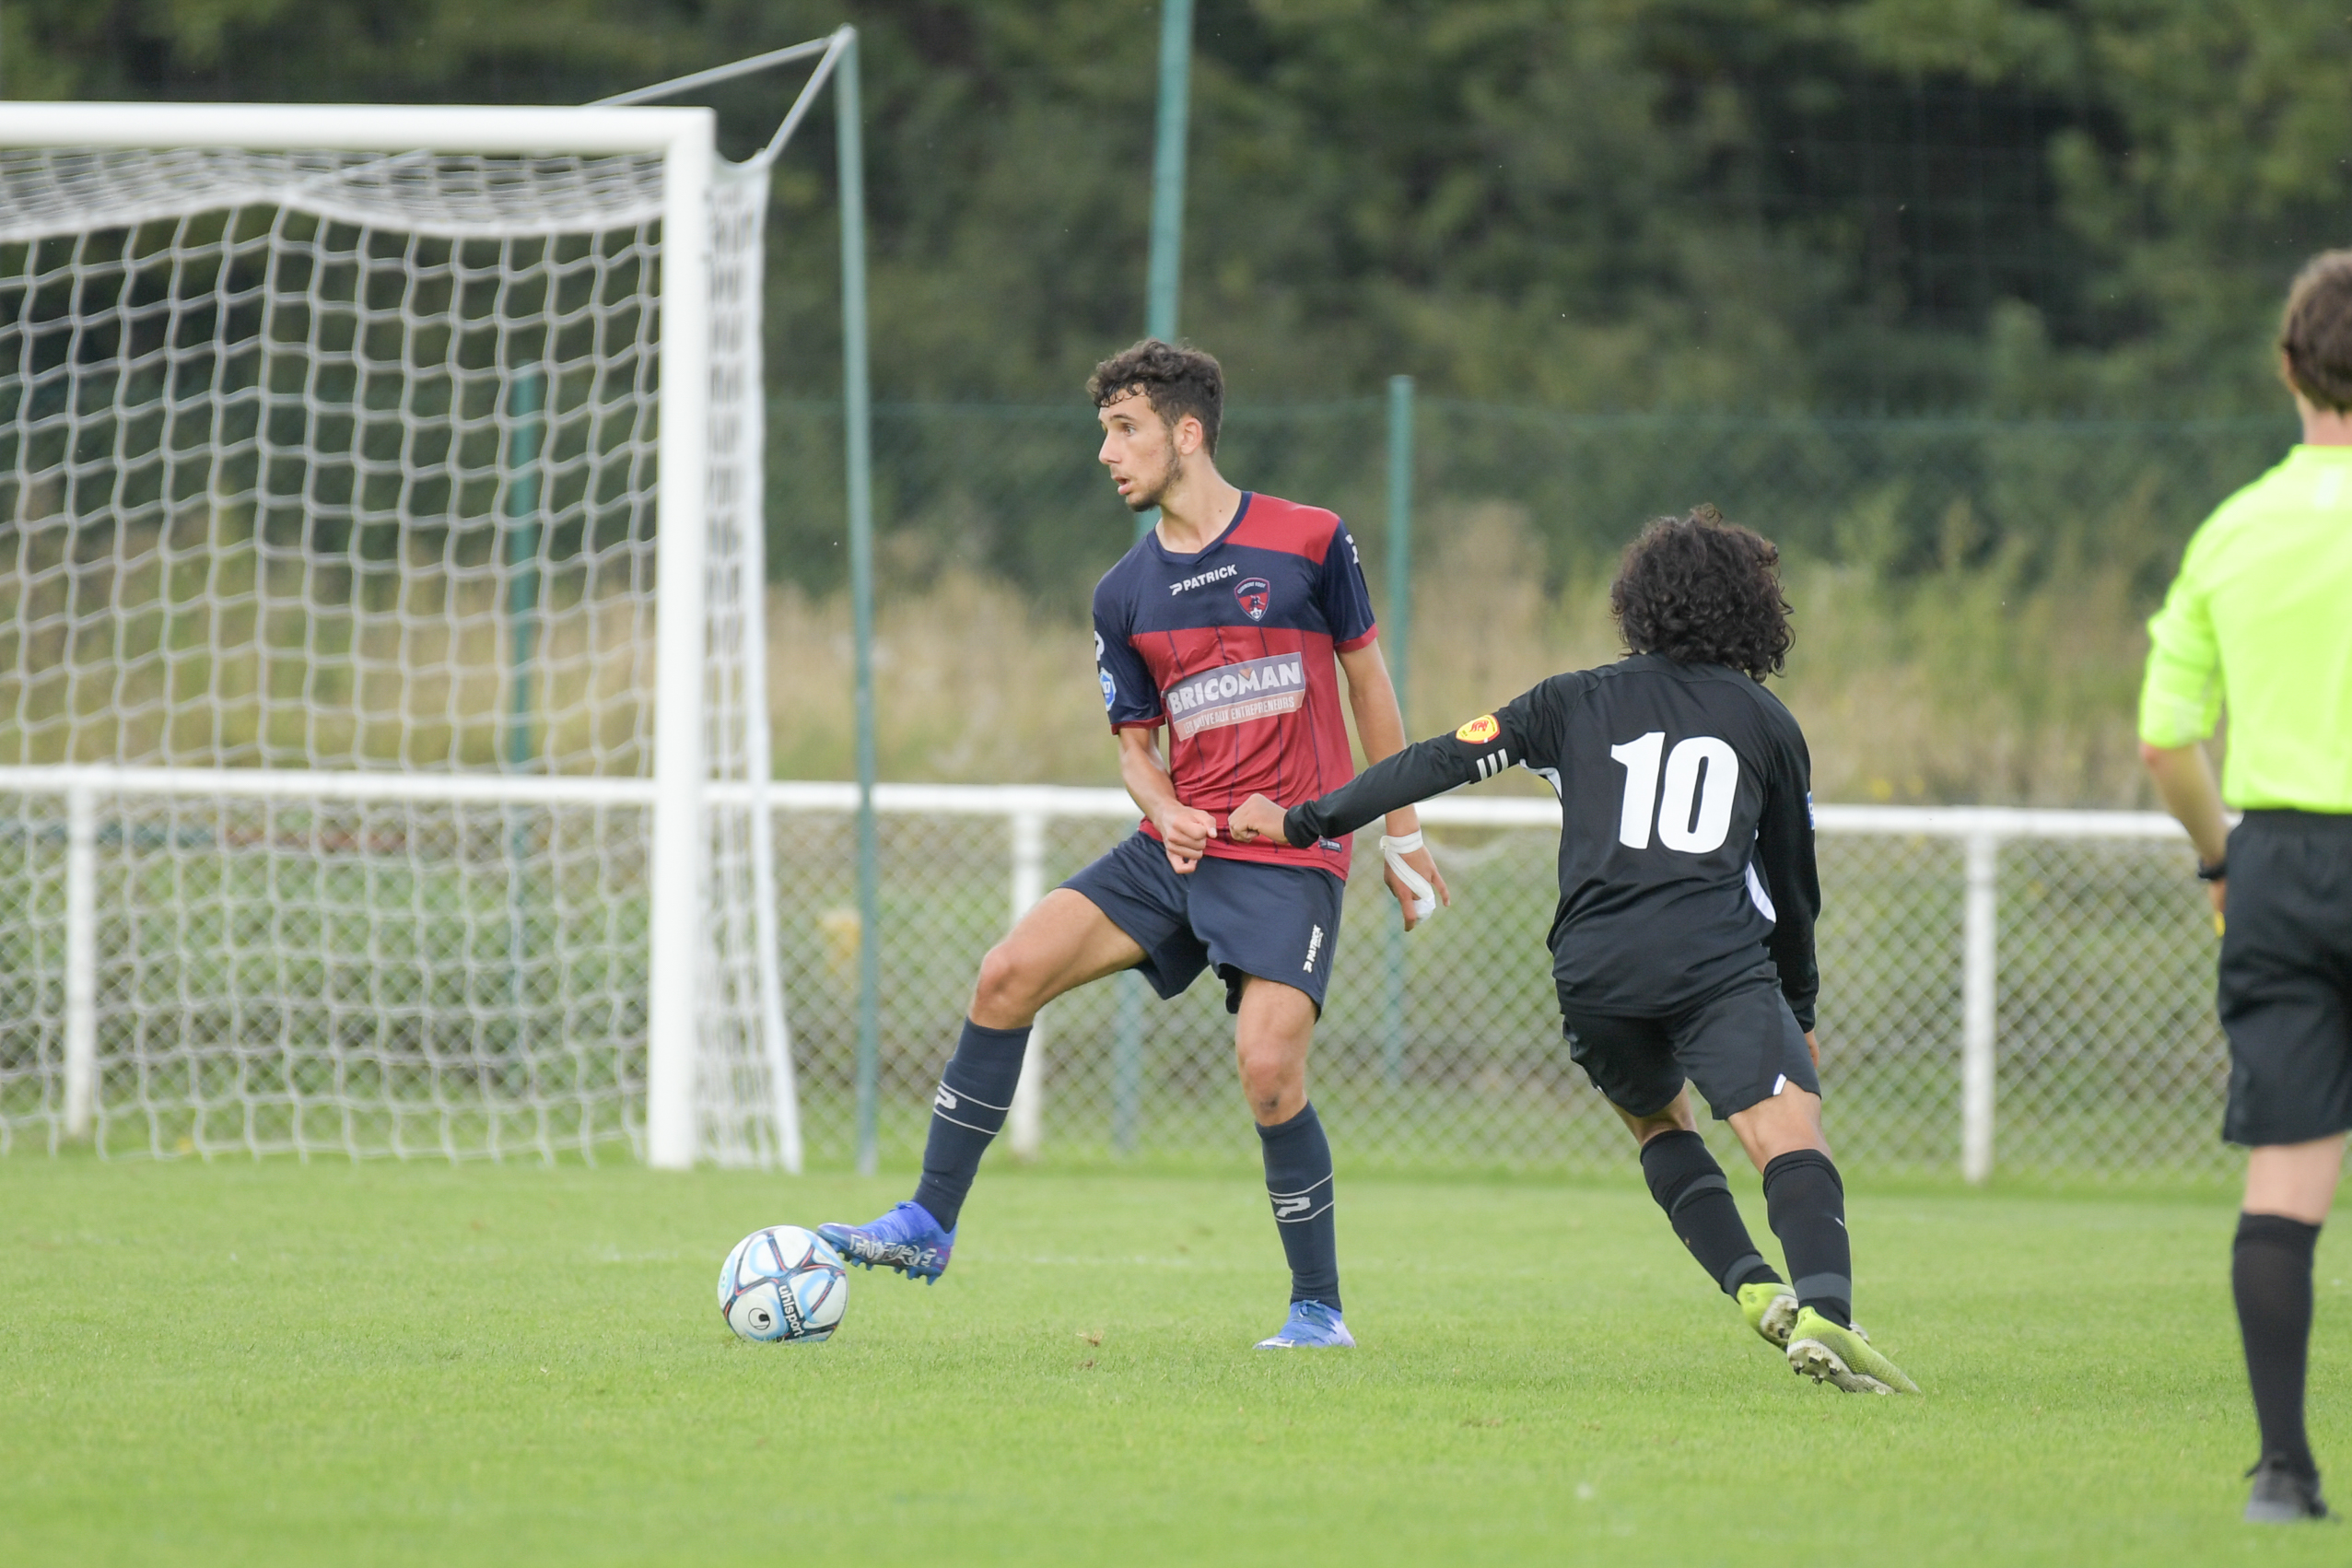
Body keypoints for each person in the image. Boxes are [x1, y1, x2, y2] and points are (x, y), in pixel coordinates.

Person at [821, 340, 1445, 1350]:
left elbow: (1369, 686)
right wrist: (1163, 811)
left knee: (1267, 1069)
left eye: (1125, 430)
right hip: (1177, 848)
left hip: (1288, 848)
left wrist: (1402, 835)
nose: (1107, 453)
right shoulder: (1122, 593)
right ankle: (931, 1223)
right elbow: (1134, 752)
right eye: (1103, 432)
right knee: (1005, 973)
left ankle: (1317, 1311)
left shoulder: (1311, 541)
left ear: (1185, 434)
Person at [1230, 506, 1918, 1395]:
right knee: (1785, 1133)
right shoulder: (1767, 724)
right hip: (1711, 960)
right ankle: (1825, 1309)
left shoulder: (1569, 700)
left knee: (1660, 1127)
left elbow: (1437, 759)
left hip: (1595, 972)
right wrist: (1801, 1009)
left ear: (1636, 603)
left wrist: (1301, 820)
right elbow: (1792, 888)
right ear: (1754, 613)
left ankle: (1752, 1287)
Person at [2138, 249, 2352, 1524]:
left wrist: (2222, 857)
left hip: (2275, 862)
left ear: (2285, 368)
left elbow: (2167, 737)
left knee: (2285, 1171)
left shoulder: (2234, 528)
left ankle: (2283, 1469)